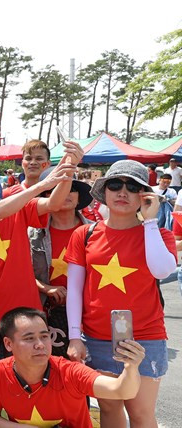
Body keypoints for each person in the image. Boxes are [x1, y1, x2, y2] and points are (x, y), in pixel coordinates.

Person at [65, 160, 176, 428]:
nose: (123, 192)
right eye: (115, 185)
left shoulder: (159, 234)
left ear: (144, 195)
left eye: (133, 187)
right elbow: (75, 290)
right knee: (109, 410)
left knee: (140, 413)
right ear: (104, 192)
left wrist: (150, 222)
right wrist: (74, 336)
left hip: (145, 337)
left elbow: (162, 270)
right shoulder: (84, 234)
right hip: (96, 337)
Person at [0, 149, 78, 358]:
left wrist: (68, 171)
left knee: (30, 369)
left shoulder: (17, 204)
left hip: (27, 310)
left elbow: (53, 204)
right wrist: (42, 185)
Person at [0, 307, 146, 428]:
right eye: (29, 338)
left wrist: (131, 367)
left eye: (44, 336)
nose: (40, 345)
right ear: (8, 344)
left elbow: (122, 390)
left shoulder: (70, 372)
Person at [27, 167, 95, 355]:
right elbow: (20, 272)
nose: (65, 192)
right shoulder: (31, 234)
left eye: (71, 188)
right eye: (55, 188)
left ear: (79, 197)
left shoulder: (96, 232)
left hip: (90, 315)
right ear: (45, 198)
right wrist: (46, 288)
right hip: (45, 315)